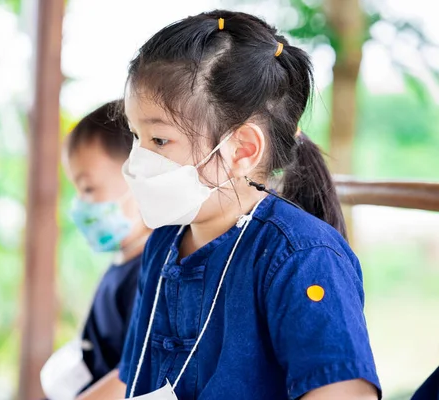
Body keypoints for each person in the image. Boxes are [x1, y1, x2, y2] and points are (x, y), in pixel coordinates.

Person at [78, 11, 381, 400]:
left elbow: (344, 394)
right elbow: (132, 378)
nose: (134, 162)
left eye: (159, 140)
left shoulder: (303, 257)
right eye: (136, 136)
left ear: (242, 149)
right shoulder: (162, 244)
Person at [42, 101, 151, 399]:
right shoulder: (120, 267)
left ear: (138, 179)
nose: (80, 205)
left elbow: (135, 376)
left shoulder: (148, 274)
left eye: (88, 189)